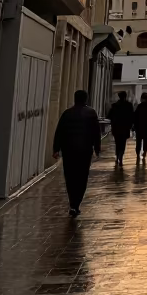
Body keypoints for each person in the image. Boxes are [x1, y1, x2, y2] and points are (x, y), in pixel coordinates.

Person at [53, 89, 101, 217]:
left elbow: (59, 131)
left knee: (70, 176)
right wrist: (97, 148)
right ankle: (76, 203)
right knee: (82, 176)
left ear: (75, 99)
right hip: (85, 150)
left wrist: (56, 149)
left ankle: (72, 202)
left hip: (69, 150)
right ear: (86, 99)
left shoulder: (67, 114)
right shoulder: (91, 113)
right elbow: (96, 132)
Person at [107, 90, 134, 166]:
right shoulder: (129, 105)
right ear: (125, 96)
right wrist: (131, 125)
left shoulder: (114, 105)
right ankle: (120, 156)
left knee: (117, 142)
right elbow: (132, 116)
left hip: (116, 127)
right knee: (123, 143)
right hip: (125, 127)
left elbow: (109, 116)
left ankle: (117, 155)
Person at [133, 91, 147, 161]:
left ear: (141, 99)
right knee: (146, 142)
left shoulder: (138, 107)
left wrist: (134, 126)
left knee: (138, 142)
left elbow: (134, 117)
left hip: (139, 128)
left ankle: (138, 155)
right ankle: (144, 153)